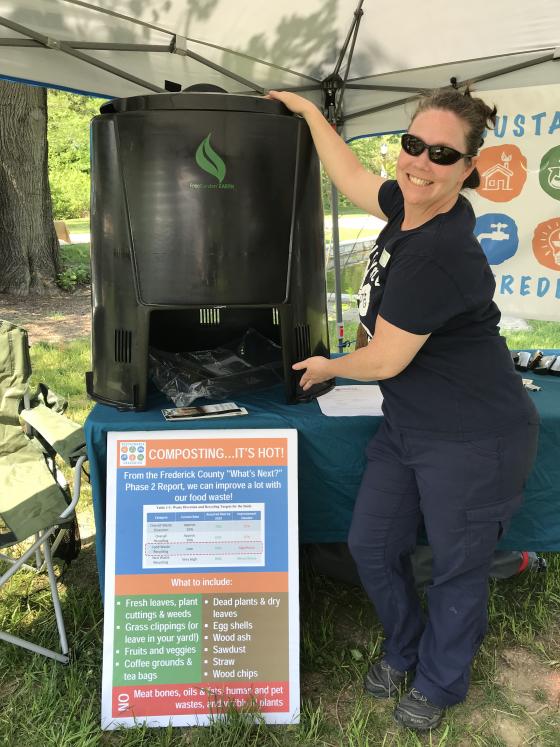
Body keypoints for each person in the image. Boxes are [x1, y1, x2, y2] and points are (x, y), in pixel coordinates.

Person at [267, 87, 539, 731]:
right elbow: (355, 176)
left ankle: (442, 682)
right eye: (413, 144)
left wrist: (329, 365)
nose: (420, 161)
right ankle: (405, 644)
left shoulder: (440, 251)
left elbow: (385, 359)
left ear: (469, 168)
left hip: (475, 435)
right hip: (410, 423)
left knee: (458, 566)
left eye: (442, 154)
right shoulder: (407, 206)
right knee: (371, 543)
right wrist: (310, 114)